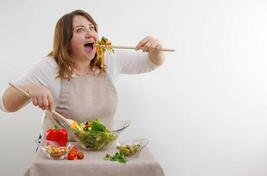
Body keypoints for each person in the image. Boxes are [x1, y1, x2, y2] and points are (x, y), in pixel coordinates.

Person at [0, 9, 165, 138]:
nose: (90, 34)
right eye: (80, 30)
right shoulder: (49, 67)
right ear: (66, 42)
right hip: (61, 155)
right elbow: (5, 104)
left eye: (92, 28)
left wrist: (156, 49)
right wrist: (31, 89)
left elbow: (151, 63)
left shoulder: (109, 58)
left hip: (101, 152)